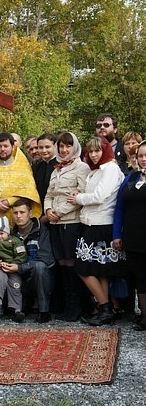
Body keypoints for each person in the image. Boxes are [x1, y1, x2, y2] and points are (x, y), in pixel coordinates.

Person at [67, 136, 124, 326]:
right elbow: (89, 191)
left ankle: (106, 307)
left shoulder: (111, 168)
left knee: (83, 269)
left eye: (97, 151)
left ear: (105, 151)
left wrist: (78, 199)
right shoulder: (96, 170)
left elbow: (99, 196)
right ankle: (104, 309)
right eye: (90, 151)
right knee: (98, 270)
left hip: (101, 224)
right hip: (91, 223)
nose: (93, 155)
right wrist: (79, 194)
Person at [44, 131, 90, 321]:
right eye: (61, 146)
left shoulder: (82, 168)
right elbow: (49, 194)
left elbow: (79, 196)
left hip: (70, 222)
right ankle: (68, 304)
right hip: (55, 222)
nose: (64, 150)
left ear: (74, 147)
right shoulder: (57, 169)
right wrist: (48, 211)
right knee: (61, 263)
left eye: (67, 146)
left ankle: (77, 305)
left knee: (72, 264)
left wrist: (59, 212)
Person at [113, 139, 146, 331]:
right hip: (133, 237)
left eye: (145, 155)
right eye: (140, 156)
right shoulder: (131, 179)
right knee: (141, 277)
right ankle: (144, 315)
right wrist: (117, 234)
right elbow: (119, 208)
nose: (143, 159)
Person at [11, 197, 55, 323]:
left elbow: (46, 258)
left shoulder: (42, 231)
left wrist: (20, 268)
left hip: (41, 278)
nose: (18, 216)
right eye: (15, 213)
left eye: (22, 212)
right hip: (20, 280)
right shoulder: (11, 235)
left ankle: (44, 311)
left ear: (30, 213)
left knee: (39, 267)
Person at [0, 216, 27, 321]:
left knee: (15, 286)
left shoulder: (15, 241)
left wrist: (15, 264)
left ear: (7, 233)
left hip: (12, 269)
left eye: (2, 233)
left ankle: (17, 310)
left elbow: (21, 255)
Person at [32, 133, 57, 216]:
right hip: (39, 213)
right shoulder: (36, 167)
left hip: (56, 213)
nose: (44, 150)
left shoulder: (62, 165)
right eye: (40, 147)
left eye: (47, 147)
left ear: (55, 146)